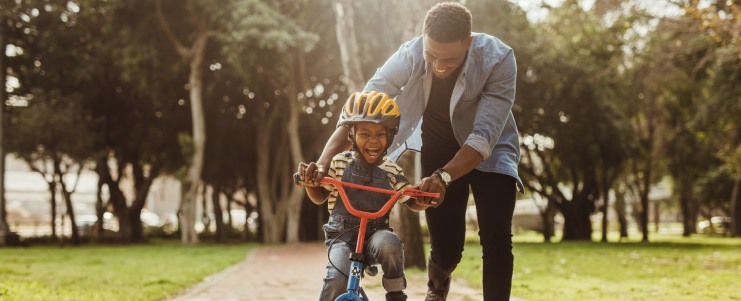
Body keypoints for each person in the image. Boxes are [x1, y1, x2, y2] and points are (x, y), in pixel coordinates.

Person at [303, 3, 523, 300]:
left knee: (497, 238)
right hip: (439, 148)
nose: (439, 66)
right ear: (423, 40)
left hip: (492, 150)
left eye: (450, 59)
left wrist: (445, 177)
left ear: (469, 43)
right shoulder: (410, 54)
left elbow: (483, 137)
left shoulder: (499, 59)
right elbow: (363, 109)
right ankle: (438, 284)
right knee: (447, 250)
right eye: (432, 56)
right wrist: (324, 162)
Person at [297, 91, 429, 301]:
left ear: (391, 135)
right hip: (342, 236)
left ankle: (395, 293)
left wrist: (421, 200)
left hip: (376, 235)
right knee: (338, 278)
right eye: (365, 134)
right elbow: (320, 196)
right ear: (351, 135)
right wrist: (310, 183)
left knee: (390, 244)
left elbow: (409, 199)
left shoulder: (392, 169)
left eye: (380, 134)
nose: (373, 141)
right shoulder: (340, 162)